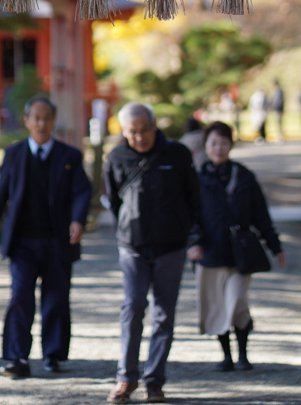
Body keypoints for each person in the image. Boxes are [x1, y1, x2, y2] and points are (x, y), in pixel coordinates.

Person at [0, 95, 92, 379]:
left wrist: (78, 220)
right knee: (20, 296)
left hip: (58, 241)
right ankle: (17, 357)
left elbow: (82, 191)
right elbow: (0, 194)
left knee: (56, 299)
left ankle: (53, 355)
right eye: (36, 118)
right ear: (27, 121)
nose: (42, 123)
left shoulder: (70, 156)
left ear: (53, 121)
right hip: (22, 242)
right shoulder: (14, 154)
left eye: (47, 118)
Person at [105, 103, 200, 405]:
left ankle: (155, 380)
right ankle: (125, 377)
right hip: (132, 246)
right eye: (133, 131)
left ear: (155, 125)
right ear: (123, 131)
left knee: (163, 314)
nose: (140, 136)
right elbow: (114, 199)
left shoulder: (178, 154)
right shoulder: (116, 157)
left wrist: (186, 231)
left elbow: (193, 196)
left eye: (145, 129)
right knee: (132, 307)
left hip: (171, 246)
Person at [187, 121, 285, 372]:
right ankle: (226, 356)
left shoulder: (244, 176)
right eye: (214, 143)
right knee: (216, 306)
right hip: (210, 254)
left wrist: (275, 247)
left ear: (231, 145)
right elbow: (188, 217)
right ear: (205, 147)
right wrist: (193, 243)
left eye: (223, 143)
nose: (219, 148)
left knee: (237, 301)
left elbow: (261, 215)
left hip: (241, 254)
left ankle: (243, 353)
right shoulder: (195, 179)